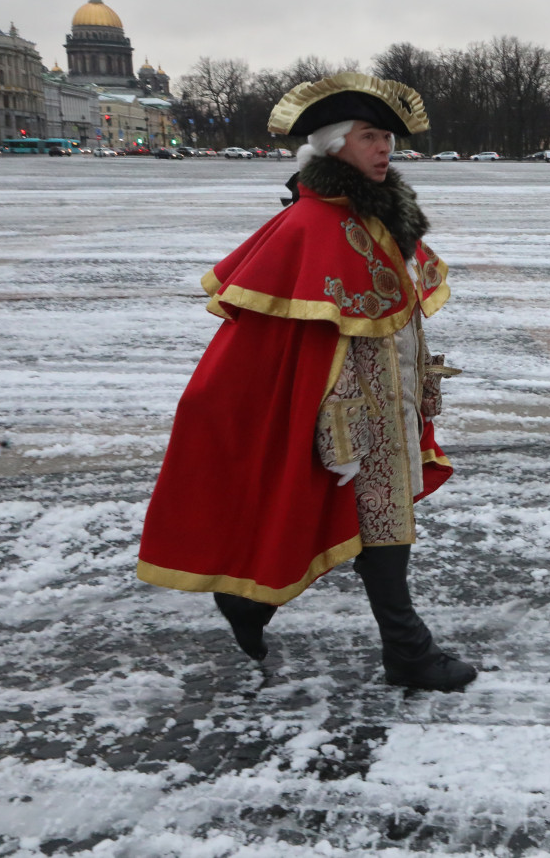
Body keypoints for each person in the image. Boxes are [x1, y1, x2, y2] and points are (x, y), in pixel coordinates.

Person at [137, 71, 476, 691]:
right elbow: (292, 347)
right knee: (373, 523)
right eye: (370, 136)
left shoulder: (384, 216)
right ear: (332, 144)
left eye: (387, 138)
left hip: (392, 406)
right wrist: (334, 423)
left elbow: (397, 316)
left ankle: (256, 603)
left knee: (378, 525)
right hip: (345, 417)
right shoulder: (308, 225)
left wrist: (421, 387)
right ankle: (407, 651)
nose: (384, 149)